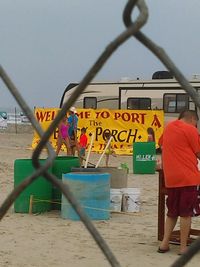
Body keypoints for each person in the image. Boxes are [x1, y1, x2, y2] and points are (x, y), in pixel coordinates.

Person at [158, 110, 200, 255]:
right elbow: (198, 152)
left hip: (171, 177)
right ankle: (183, 247)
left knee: (172, 212)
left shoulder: (168, 127)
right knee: (185, 213)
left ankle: (164, 244)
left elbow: (161, 144)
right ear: (193, 119)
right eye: (196, 124)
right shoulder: (190, 130)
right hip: (188, 177)